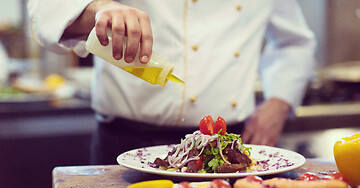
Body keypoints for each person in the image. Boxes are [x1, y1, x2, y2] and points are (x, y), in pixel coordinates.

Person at [28, 0, 316, 165]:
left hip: (228, 155)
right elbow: (45, 11)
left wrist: (279, 101)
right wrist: (97, 8)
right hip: (123, 144)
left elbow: (294, 42)